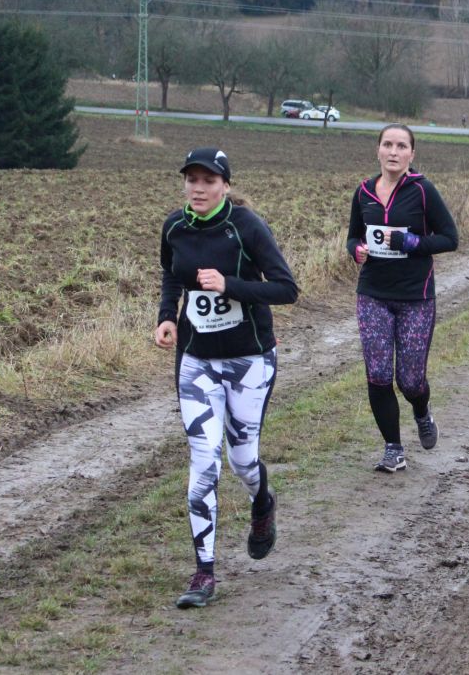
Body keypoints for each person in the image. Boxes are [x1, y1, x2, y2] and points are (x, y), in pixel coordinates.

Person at [155, 147, 299, 609]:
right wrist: (167, 316)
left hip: (249, 360)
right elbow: (171, 275)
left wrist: (229, 285)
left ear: (225, 186)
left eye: (208, 181)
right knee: (204, 461)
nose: (198, 188)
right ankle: (204, 572)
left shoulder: (246, 227)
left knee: (242, 461)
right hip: (196, 361)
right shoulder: (174, 227)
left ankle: (263, 503)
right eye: (192, 179)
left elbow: (286, 289)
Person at [346, 124, 459, 473]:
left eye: (401, 146)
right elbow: (353, 236)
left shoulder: (422, 190)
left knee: (410, 380)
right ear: (378, 150)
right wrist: (357, 250)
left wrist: (412, 243)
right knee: (378, 375)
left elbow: (450, 238)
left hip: (415, 297)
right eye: (387, 145)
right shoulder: (364, 191)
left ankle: (421, 411)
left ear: (412, 154)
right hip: (373, 295)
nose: (393, 152)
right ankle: (393, 449)